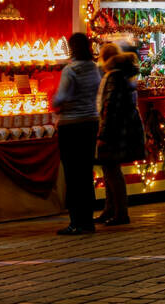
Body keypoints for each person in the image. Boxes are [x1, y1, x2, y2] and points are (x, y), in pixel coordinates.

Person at [52, 32, 101, 234]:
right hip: (90, 122)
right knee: (85, 172)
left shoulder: (70, 70)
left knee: (72, 174)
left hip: (71, 124)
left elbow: (61, 97)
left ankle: (75, 221)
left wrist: (55, 102)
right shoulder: (94, 68)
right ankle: (87, 220)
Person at [97, 45, 144, 223]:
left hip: (114, 130)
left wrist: (103, 134)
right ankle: (111, 209)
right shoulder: (125, 75)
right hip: (122, 128)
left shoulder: (113, 76)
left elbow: (110, 107)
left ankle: (119, 212)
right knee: (110, 169)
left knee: (111, 170)